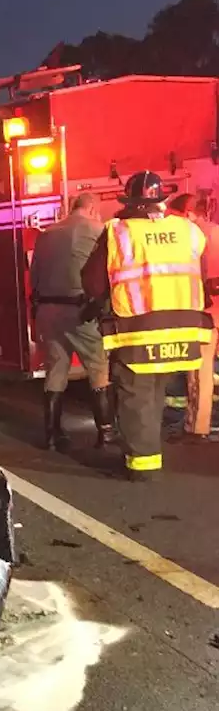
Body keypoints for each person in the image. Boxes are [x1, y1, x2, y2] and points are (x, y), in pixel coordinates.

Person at [80, 171, 211, 481]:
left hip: (137, 329)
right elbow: (199, 271)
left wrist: (96, 303)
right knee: (155, 392)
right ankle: (148, 454)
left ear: (131, 202)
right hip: (182, 326)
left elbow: (93, 281)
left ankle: (142, 465)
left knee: (135, 396)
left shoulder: (120, 231)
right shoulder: (187, 229)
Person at [29, 193, 115, 449]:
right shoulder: (98, 230)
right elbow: (108, 271)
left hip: (48, 312)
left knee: (56, 369)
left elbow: (34, 278)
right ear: (92, 208)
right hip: (80, 311)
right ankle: (106, 432)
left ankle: (53, 434)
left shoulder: (46, 234)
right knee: (99, 368)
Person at [166, 193, 220, 440]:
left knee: (200, 374)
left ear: (188, 213)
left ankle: (197, 428)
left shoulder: (197, 237)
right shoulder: (216, 232)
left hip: (206, 315)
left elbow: (206, 280)